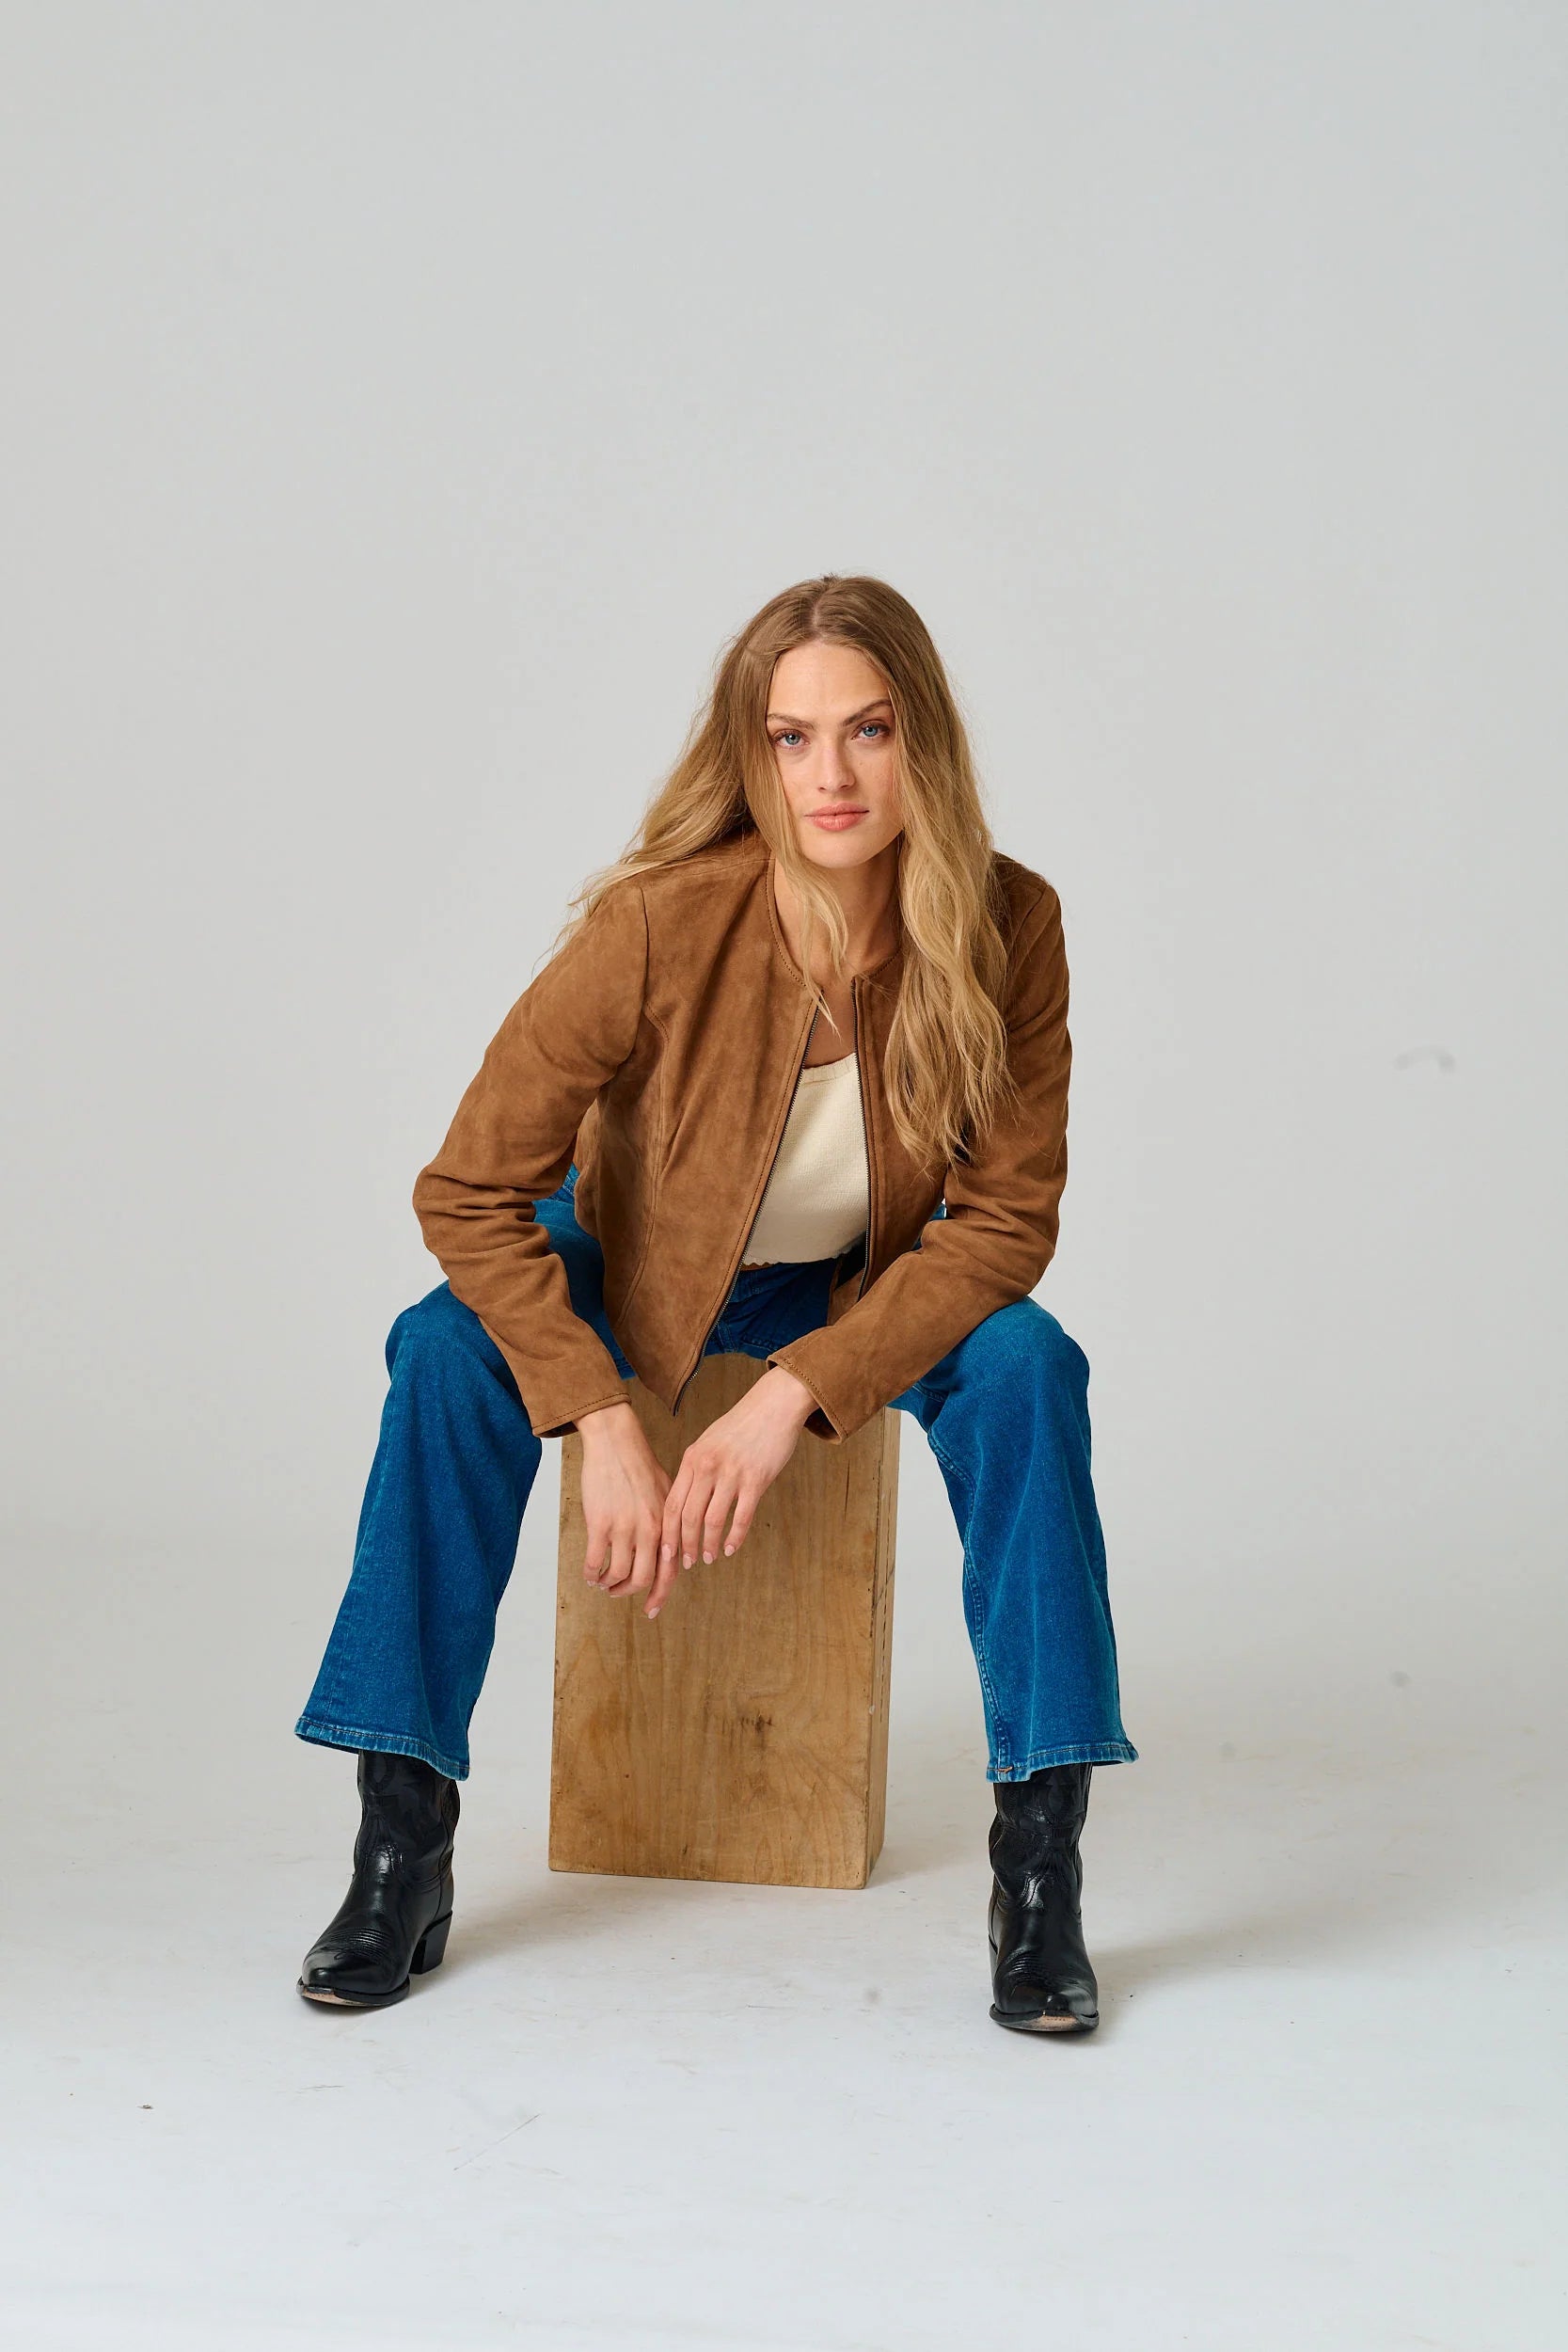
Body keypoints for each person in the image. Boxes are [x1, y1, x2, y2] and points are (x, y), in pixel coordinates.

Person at [293, 572, 1137, 2032]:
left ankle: (1040, 1874)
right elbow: (468, 1190)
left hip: (859, 1284)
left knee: (1028, 1367)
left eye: (868, 729)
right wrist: (600, 1412)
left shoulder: (1011, 923)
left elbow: (1004, 1224)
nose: (830, 775)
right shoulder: (659, 923)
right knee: (440, 1351)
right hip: (637, 1264)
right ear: (751, 756)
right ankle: (399, 1849)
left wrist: (797, 1391)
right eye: (792, 737)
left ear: (922, 740)